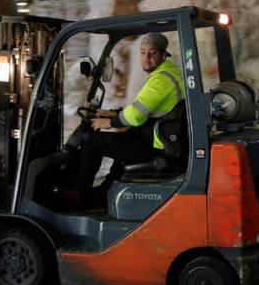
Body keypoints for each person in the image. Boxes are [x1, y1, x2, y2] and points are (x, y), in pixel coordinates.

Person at [77, 32, 185, 204]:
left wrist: (109, 122)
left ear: (163, 55)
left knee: (94, 142)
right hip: (159, 138)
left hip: (157, 146)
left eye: (152, 53)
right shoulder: (168, 74)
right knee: (122, 142)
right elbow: (144, 108)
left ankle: (82, 196)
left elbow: (136, 115)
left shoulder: (161, 80)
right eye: (143, 52)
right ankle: (105, 192)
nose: (146, 58)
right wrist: (112, 113)